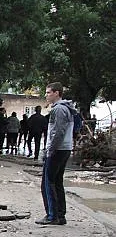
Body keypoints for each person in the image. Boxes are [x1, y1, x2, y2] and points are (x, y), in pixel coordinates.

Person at [36, 82, 77, 226]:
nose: (46, 95)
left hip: (58, 149)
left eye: (48, 92)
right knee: (57, 181)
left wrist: (50, 150)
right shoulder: (67, 108)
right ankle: (60, 214)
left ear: (57, 93)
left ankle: (52, 215)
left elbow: (57, 131)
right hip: (65, 148)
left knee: (48, 182)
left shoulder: (59, 109)